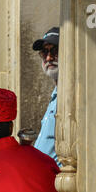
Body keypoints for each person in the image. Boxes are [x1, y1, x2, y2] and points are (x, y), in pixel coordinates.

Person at [32, 27, 61, 166]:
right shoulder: (56, 95)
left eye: (54, 51)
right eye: (44, 52)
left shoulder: (70, 95)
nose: (49, 58)